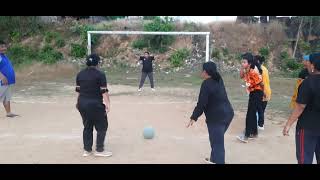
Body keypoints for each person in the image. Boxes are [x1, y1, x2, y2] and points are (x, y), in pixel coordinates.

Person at [187, 61, 234, 164]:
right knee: (216, 140)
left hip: (217, 118)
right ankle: (214, 159)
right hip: (228, 114)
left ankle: (218, 161)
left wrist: (193, 117)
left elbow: (202, 104)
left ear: (205, 72)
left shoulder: (206, 84)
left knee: (217, 144)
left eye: (202, 70)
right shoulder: (218, 79)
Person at [283, 52, 320, 164]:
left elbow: (300, 106)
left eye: (308, 62)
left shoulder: (308, 82)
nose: (306, 64)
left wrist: (288, 124)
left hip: (307, 128)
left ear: (313, 66)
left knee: (305, 160)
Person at [76, 54, 112, 157]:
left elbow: (78, 90)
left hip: (82, 103)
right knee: (102, 126)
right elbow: (104, 91)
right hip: (95, 104)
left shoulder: (80, 74)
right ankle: (99, 150)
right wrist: (108, 104)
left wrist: (78, 102)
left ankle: (87, 150)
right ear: (97, 63)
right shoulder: (100, 74)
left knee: (87, 126)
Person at [237, 53, 264, 143]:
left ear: (249, 63)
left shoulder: (253, 71)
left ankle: (246, 135)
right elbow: (241, 76)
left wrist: (263, 93)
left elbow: (261, 83)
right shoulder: (247, 70)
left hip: (257, 93)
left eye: (244, 62)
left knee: (250, 114)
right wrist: (242, 67)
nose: (242, 63)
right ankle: (254, 133)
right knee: (251, 113)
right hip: (253, 93)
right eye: (242, 62)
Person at [0, 40, 18, 118]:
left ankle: (9, 113)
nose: (4, 48)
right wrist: (2, 77)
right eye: (2, 47)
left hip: (8, 81)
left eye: (4, 46)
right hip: (2, 81)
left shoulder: (4, 56)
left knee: (6, 97)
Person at [255, 55, 271, 130]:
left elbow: (260, 82)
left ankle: (260, 125)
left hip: (262, 91)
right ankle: (260, 124)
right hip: (267, 90)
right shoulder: (265, 68)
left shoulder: (258, 69)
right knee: (261, 109)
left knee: (259, 109)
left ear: (257, 61)